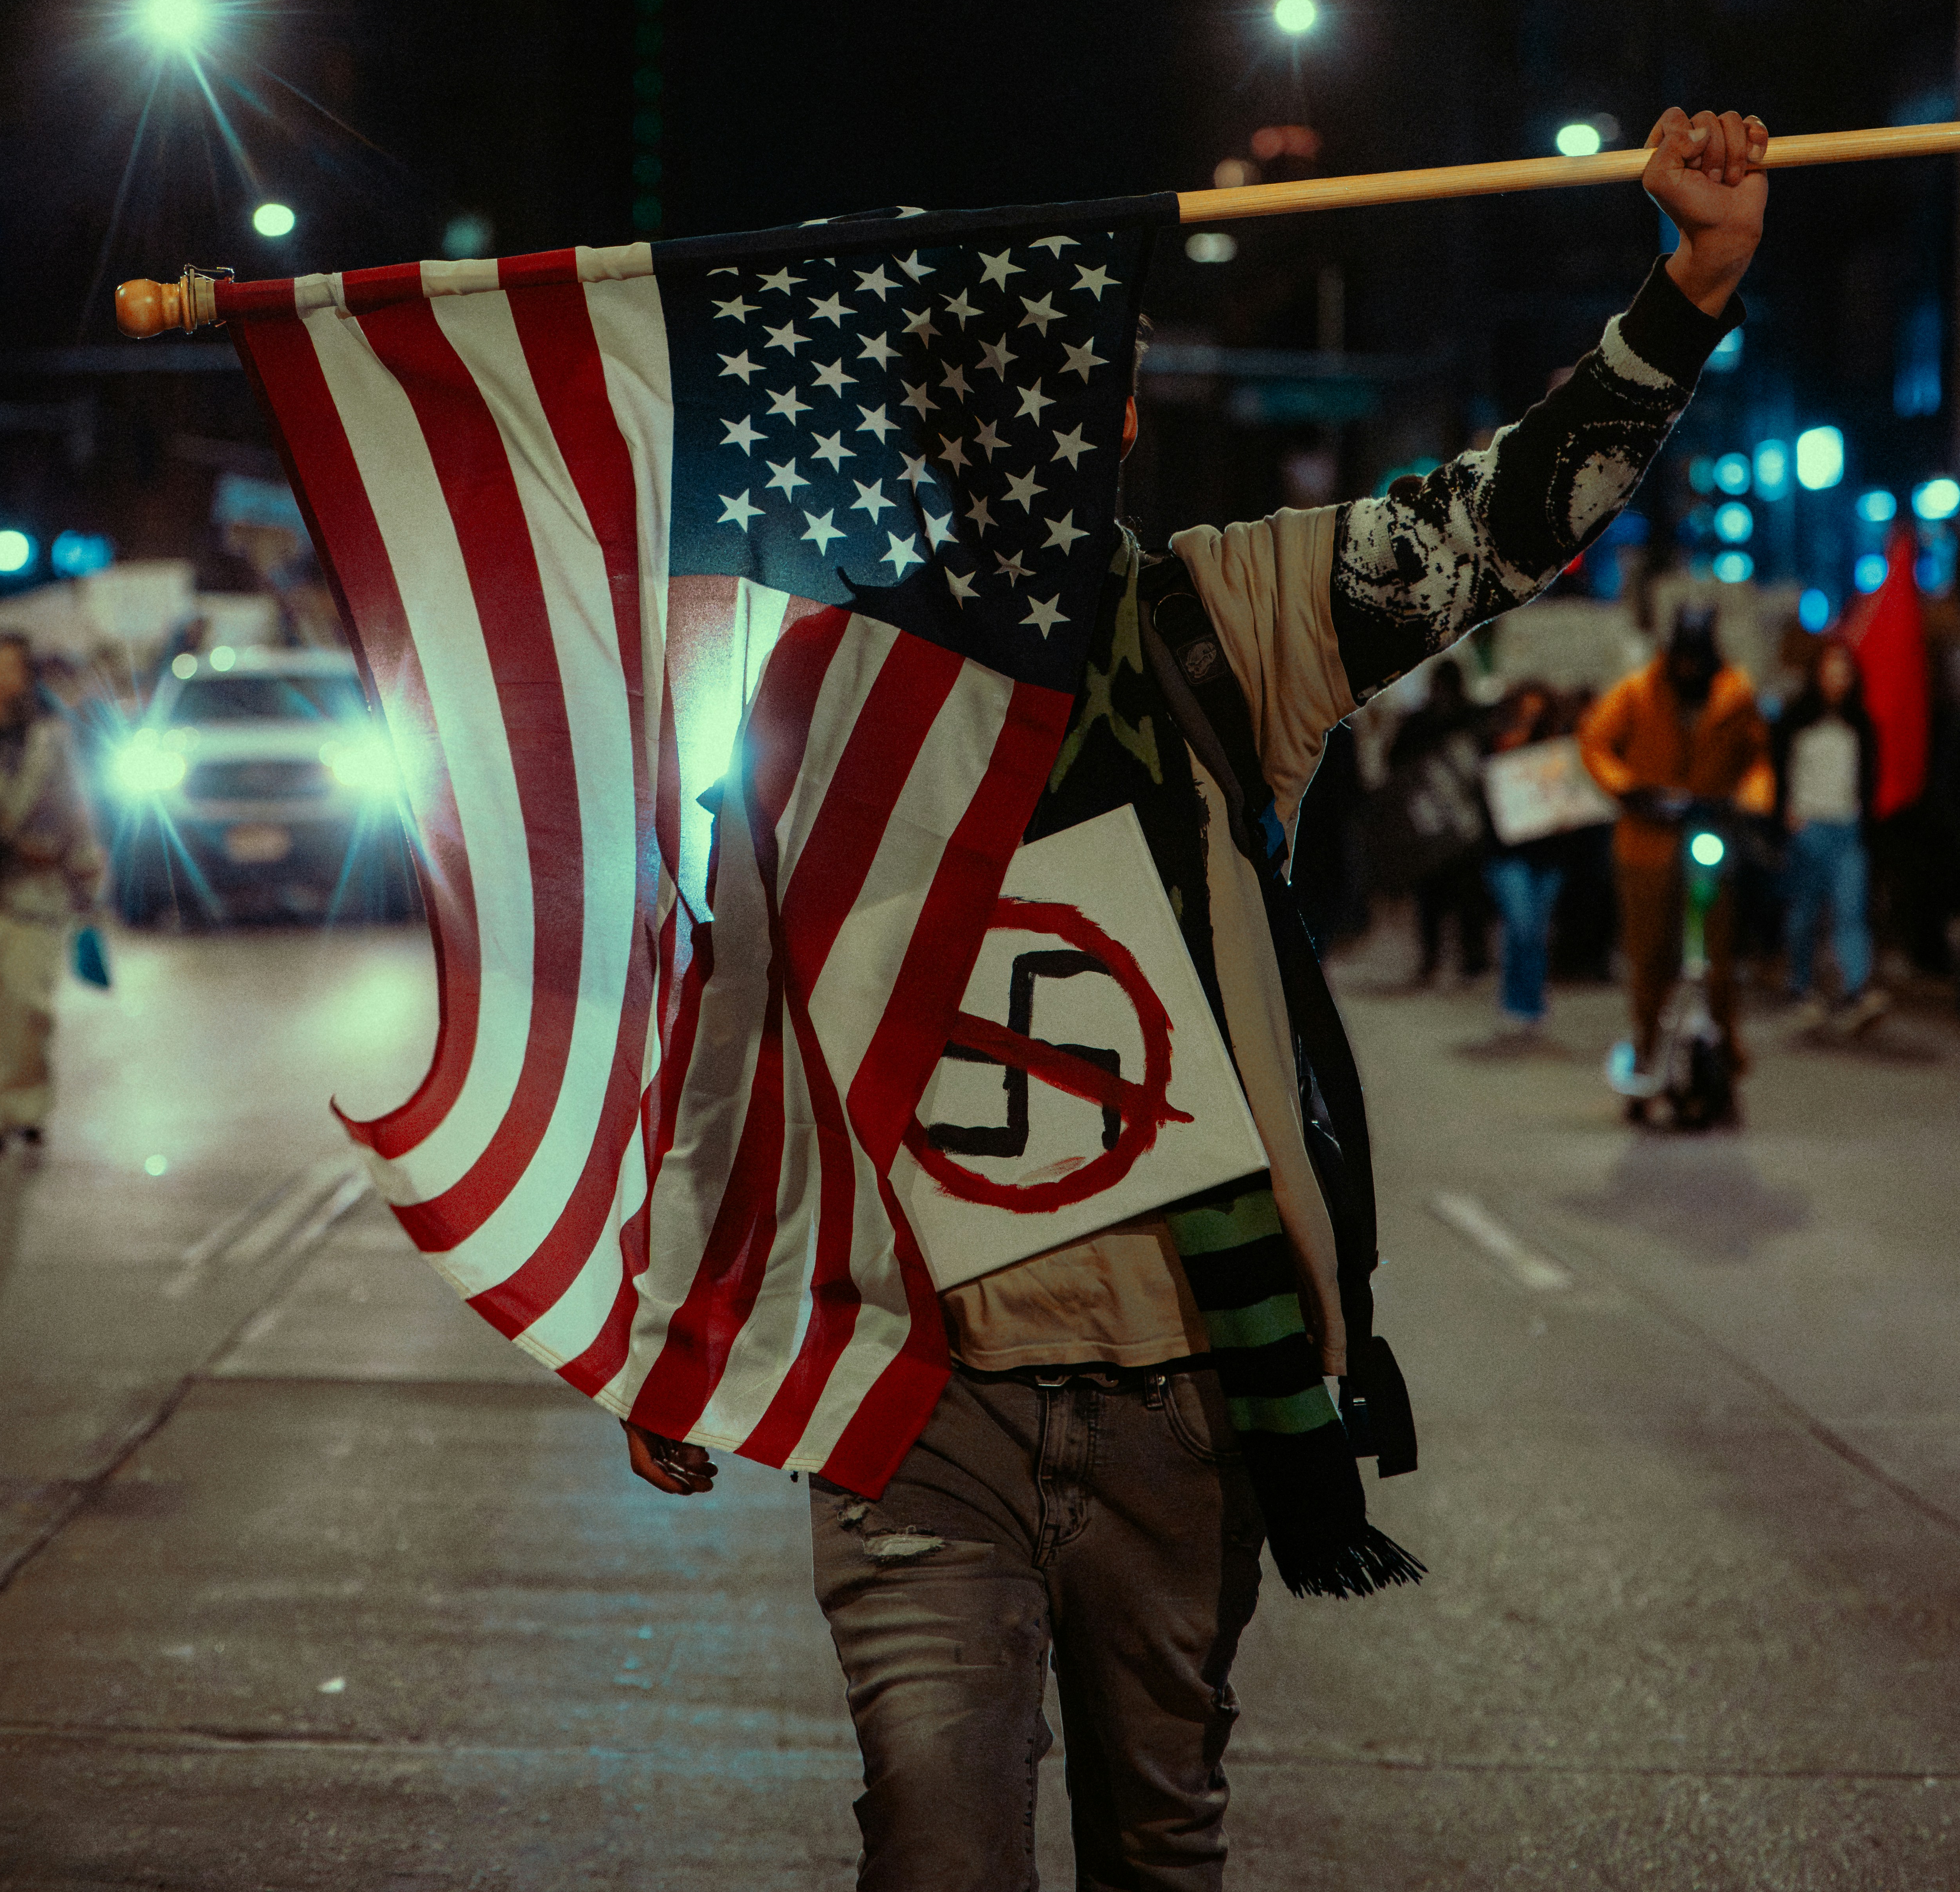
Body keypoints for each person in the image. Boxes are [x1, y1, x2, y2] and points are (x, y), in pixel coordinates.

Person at [626, 103, 1771, 1892]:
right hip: (919, 1399)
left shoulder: (1223, 619)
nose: (1031, 424)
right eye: (984, 394)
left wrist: (1686, 289)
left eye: (1072, 383)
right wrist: (680, 1316)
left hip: (1181, 1398)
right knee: (935, 1842)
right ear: (926, 427)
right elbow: (740, 1018)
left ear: (1120, 413)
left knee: (1158, 1845)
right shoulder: (824, 686)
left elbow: (1495, 521)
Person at [1578, 603, 1772, 1112]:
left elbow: (1758, 759)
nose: (1689, 668)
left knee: (1717, 962)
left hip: (1709, 835)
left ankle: (1724, 1064)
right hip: (1647, 843)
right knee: (1649, 962)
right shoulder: (1638, 692)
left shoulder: (1735, 694)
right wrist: (1631, 790)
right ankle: (1647, 1060)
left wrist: (1750, 801)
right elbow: (1595, 742)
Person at [0, 631, 107, 1156]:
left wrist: (85, 871)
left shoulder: (48, 736)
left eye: (17, 668)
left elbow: (77, 806)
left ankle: (29, 1105)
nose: (8, 678)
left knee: (28, 1004)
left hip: (36, 886)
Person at [1772, 636, 1884, 1037]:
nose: (1837, 679)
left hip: (1846, 829)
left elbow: (1869, 779)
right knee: (1803, 914)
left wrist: (1864, 819)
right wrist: (1786, 815)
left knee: (1851, 912)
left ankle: (1856, 990)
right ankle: (1801, 988)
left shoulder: (1861, 724)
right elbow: (1778, 770)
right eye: (1830, 671)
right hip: (1808, 828)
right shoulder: (1796, 720)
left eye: (1844, 672)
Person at [1385, 657, 1493, 982]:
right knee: (1431, 897)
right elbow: (1396, 763)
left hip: (1466, 826)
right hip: (1430, 826)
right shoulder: (1421, 723)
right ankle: (1434, 959)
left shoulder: (1472, 718)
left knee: (1468, 897)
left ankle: (1472, 960)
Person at [1480, 680, 1567, 1038]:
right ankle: (1517, 1001)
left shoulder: (1558, 747)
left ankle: (1530, 1003)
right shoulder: (1496, 744)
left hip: (1548, 855)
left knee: (1536, 931)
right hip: (1508, 853)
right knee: (1522, 925)